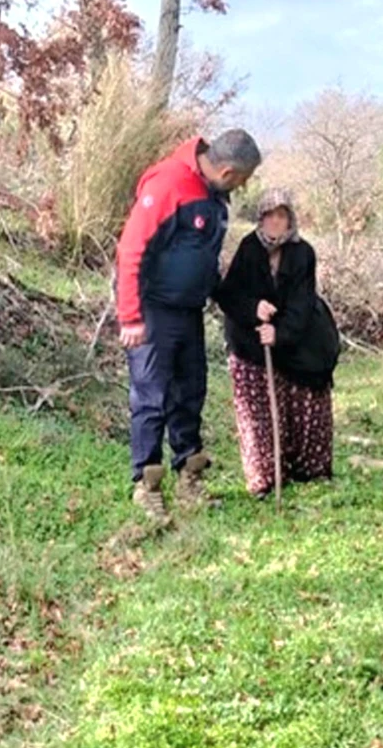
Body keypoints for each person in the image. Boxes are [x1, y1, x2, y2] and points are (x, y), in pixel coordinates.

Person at [116, 130, 262, 524]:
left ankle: (189, 478)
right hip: (153, 311)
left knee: (190, 392)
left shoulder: (213, 195)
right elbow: (131, 249)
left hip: (188, 311)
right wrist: (130, 315)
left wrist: (245, 307)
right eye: (242, 180)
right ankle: (146, 487)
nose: (242, 188)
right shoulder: (169, 184)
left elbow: (203, 260)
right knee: (151, 397)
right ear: (228, 171)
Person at [214, 188, 340, 498]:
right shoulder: (248, 248)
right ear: (261, 218)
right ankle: (266, 477)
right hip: (250, 342)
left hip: (297, 340)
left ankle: (307, 470)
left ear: (290, 220)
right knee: (259, 413)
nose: (274, 222)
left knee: (305, 399)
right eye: (269, 215)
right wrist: (253, 308)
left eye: (281, 216)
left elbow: (301, 303)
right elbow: (228, 295)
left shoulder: (303, 253)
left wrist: (280, 334)